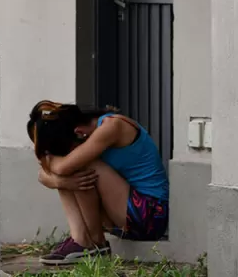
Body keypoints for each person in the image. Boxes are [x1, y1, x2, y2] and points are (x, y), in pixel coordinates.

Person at [26, 100, 169, 266]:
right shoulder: (91, 132)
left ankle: (94, 243)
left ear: (79, 133)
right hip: (123, 214)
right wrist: (62, 181)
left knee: (79, 167)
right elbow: (43, 176)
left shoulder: (112, 126)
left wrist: (52, 165)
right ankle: (80, 240)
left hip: (151, 215)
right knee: (67, 177)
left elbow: (62, 167)